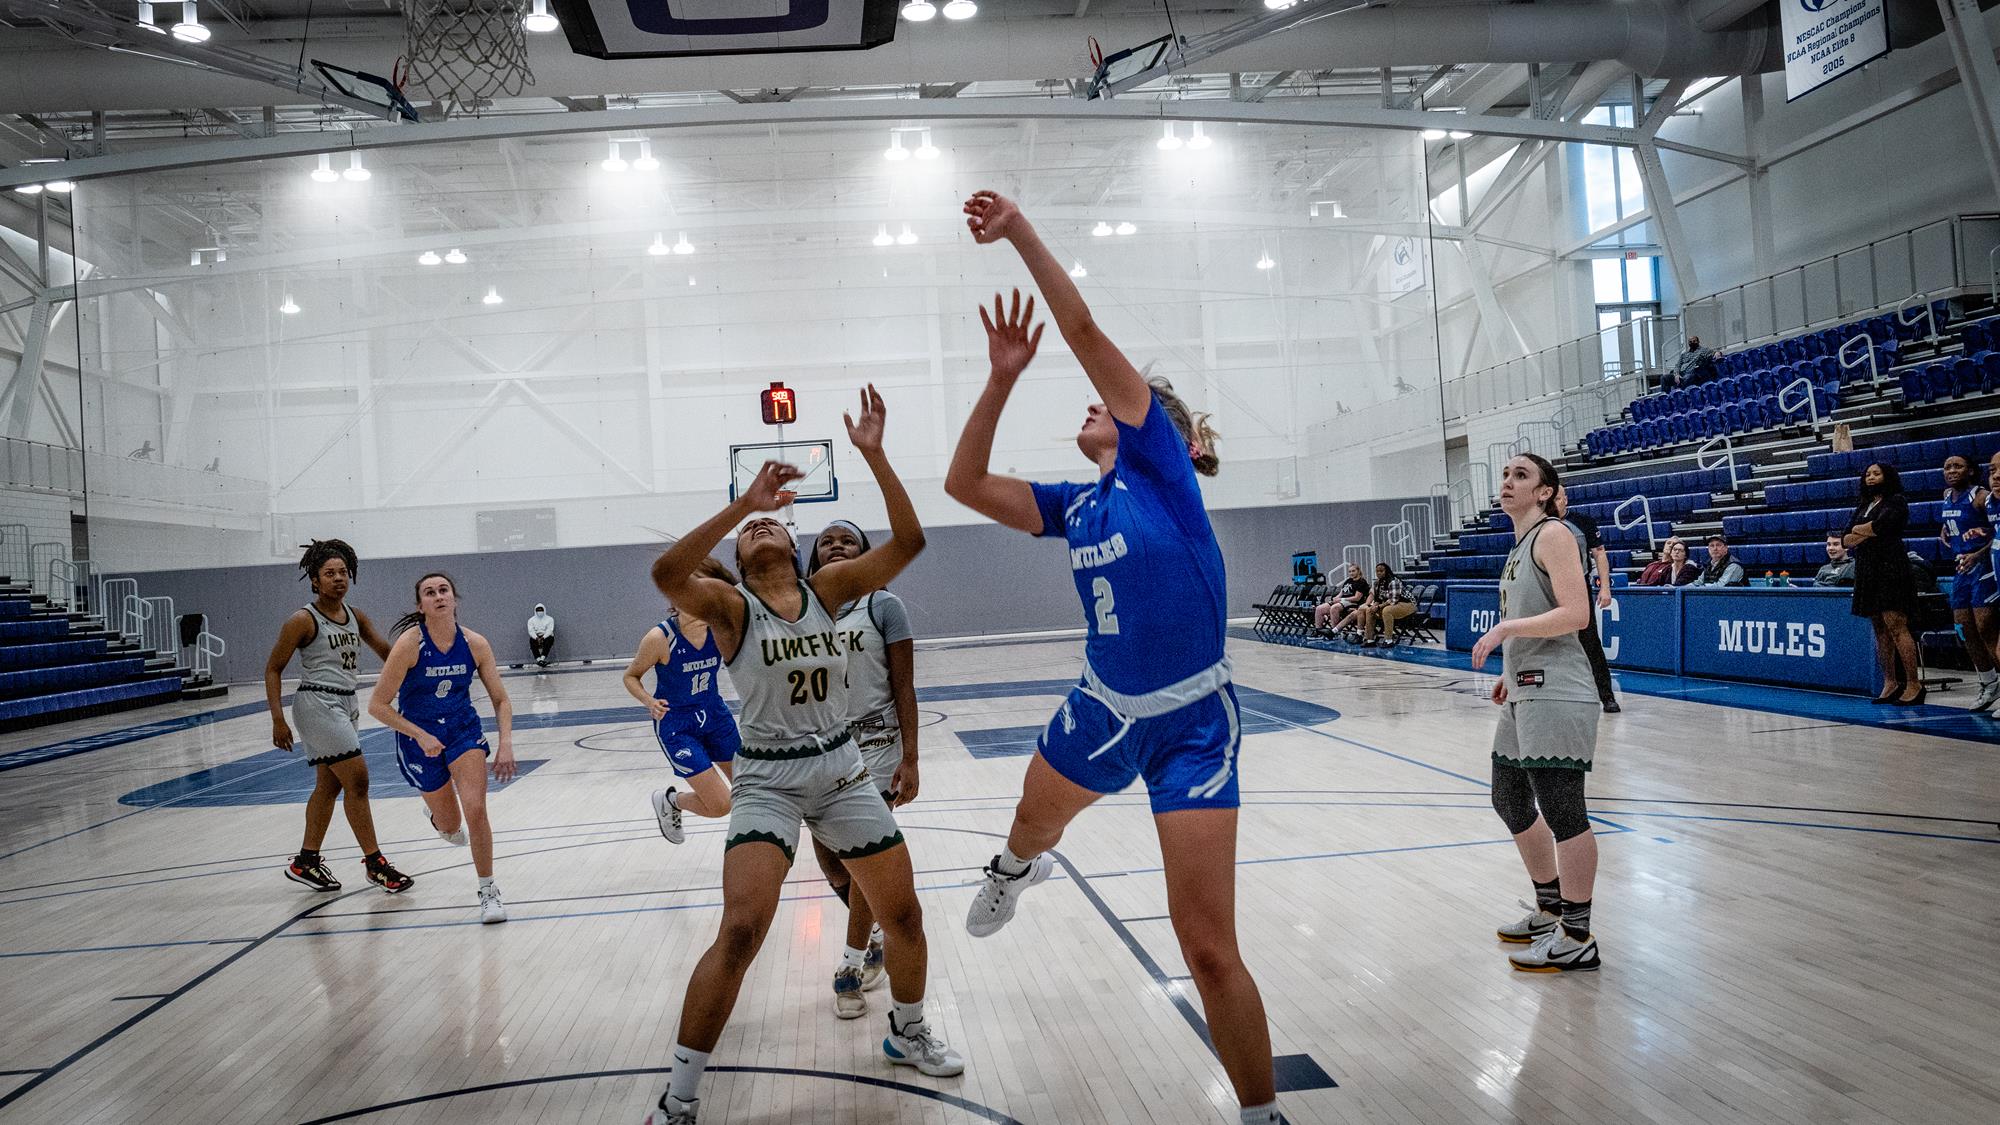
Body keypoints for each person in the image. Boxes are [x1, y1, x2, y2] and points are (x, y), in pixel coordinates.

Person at [945, 189, 1281, 1125]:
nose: (1093, 400)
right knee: (1030, 823)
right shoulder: (1077, 504)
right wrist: (1000, 379)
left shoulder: (1160, 472)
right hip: (1101, 708)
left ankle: (1263, 1113)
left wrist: (1019, 230)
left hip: (1194, 723)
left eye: (1111, 399)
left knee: (1207, 947)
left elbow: (1084, 329)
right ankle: (1016, 870)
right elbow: (963, 483)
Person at [642, 387, 962, 1125]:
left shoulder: (830, 588)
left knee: (904, 914)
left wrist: (876, 456)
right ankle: (679, 1096)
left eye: (769, 522)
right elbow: (666, 574)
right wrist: (742, 501)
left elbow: (909, 543)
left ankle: (907, 1029)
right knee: (741, 931)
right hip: (769, 779)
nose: (758, 527)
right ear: (740, 558)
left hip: (843, 768)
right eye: (747, 529)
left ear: (794, 545)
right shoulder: (732, 608)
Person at [1469, 454, 1602, 973]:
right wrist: (1511, 667)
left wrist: (1506, 630)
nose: (1508, 481)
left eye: (1520, 475)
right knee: (1508, 796)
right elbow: (1540, 614)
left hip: (1559, 691)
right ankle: (1549, 910)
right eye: (1505, 474)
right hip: (1525, 687)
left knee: (1564, 809)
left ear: (1545, 492)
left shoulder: (1554, 535)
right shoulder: (1520, 544)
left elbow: (1576, 613)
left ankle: (1578, 934)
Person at [807, 520, 920, 1019]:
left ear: (865, 552)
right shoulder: (803, 610)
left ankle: (851, 967)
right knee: (832, 862)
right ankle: (873, 932)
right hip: (824, 747)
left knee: (862, 856)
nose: (836, 546)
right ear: (814, 557)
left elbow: (904, 687)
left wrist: (911, 758)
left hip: (877, 745)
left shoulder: (883, 606)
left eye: (847, 540)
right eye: (826, 541)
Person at [366, 572, 517, 924]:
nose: (438, 596)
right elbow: (378, 706)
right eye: (430, 592)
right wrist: (419, 734)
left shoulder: (475, 643)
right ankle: (438, 818)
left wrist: (506, 744)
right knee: (452, 826)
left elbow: (501, 700)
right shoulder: (409, 645)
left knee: (476, 809)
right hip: (419, 736)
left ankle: (488, 891)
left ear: (454, 599)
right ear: (421, 605)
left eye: (444, 590)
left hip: (463, 731)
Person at [264, 538, 412, 894]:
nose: (338, 578)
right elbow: (273, 669)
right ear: (315, 580)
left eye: (343, 572)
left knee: (328, 786)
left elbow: (387, 652)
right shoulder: (302, 620)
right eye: (329, 573)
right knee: (358, 780)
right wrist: (277, 719)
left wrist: (417, 669)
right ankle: (375, 864)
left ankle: (306, 861)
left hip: (346, 704)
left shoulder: (355, 616)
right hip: (317, 703)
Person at [623, 558, 741, 844]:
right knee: (720, 805)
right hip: (677, 725)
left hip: (715, 715)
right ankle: (672, 801)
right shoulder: (660, 638)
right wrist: (649, 701)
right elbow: (631, 676)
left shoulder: (719, 629)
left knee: (750, 790)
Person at [1843, 463, 1923, 705]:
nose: (1871, 477)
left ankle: (1914, 683)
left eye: (1876, 474)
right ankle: (1890, 682)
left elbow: (1880, 527)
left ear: (1887, 477)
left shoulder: (1896, 501)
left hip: (1891, 569)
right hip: (1867, 571)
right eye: (1868, 474)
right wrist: (1865, 531)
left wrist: (1861, 530)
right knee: (1879, 628)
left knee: (1896, 625)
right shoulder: (1863, 505)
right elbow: (1846, 539)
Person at [1939, 455, 1999, 711]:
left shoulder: (1981, 496)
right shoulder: (1946, 496)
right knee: (1963, 628)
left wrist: (1978, 553)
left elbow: (1996, 531)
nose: (1952, 471)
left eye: (1958, 466)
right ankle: (1989, 683)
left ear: (1971, 471)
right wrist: (1945, 529)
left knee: (1986, 628)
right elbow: (1952, 524)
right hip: (1961, 568)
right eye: (1947, 467)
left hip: (1983, 566)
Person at [1554, 486, 1621, 713]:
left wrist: (1605, 588)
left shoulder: (1582, 522)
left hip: (1578, 587)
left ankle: (1607, 696)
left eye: (1558, 499)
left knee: (1590, 640)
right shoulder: (1541, 524)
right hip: (1549, 586)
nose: (1555, 503)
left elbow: (1599, 554)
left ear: (1565, 499)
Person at [1357, 562, 1416, 648]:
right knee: (1369, 610)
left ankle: (1388, 640)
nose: (1379, 573)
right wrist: (1374, 606)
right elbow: (1377, 599)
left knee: (1387, 610)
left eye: (1381, 571)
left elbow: (1393, 600)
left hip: (1407, 604)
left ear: (1386, 571)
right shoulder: (1377, 583)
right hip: (1391, 604)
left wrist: (1378, 607)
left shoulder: (1393, 581)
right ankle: (1369, 640)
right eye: (1377, 571)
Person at [1313, 563, 1369, 635]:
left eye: (1353, 571)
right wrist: (1335, 598)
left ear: (1358, 571)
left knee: (1334, 608)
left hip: (1352, 602)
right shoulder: (1348, 581)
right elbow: (1341, 593)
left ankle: (1334, 632)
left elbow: (1357, 598)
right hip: (1342, 601)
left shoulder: (1361, 582)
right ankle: (1318, 631)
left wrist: (1341, 600)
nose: (1351, 573)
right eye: (1350, 571)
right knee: (1319, 609)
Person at [527, 603, 556, 668]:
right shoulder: (531, 620)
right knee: (532, 641)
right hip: (536, 636)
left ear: (544, 610)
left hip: (547, 636)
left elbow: (550, 630)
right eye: (538, 610)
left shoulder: (550, 619)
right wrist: (536, 638)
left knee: (548, 641)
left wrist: (543, 637)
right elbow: (531, 631)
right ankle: (539, 660)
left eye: (541, 610)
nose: (540, 612)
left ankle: (542, 659)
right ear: (535, 611)